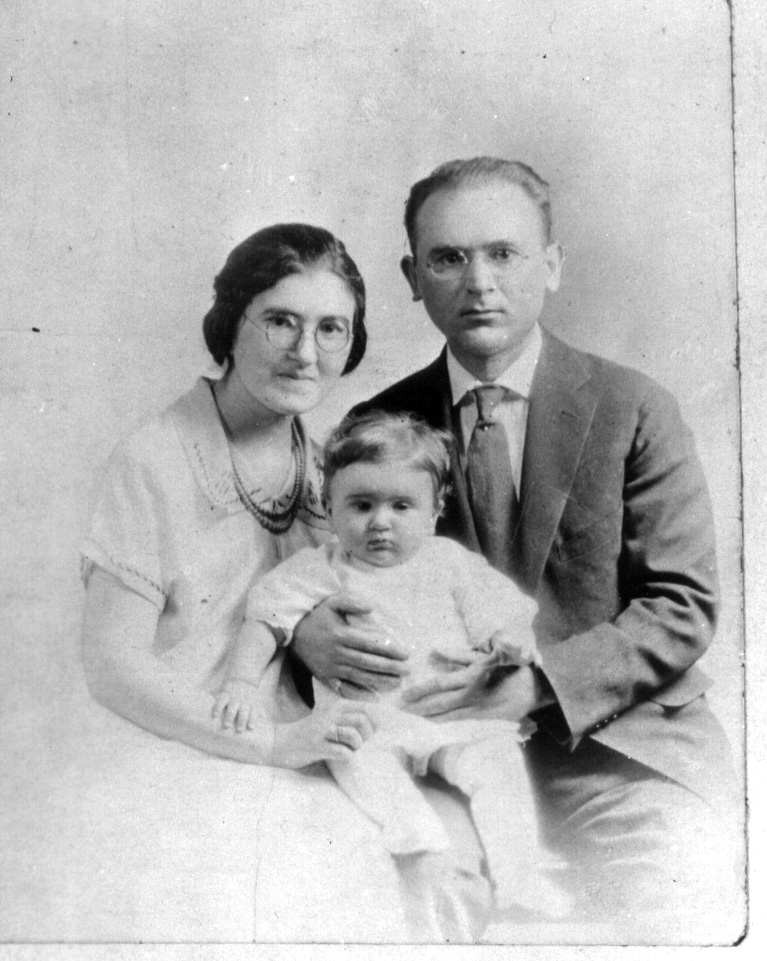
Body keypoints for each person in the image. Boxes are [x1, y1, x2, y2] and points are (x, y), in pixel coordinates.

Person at [291, 159, 740, 941]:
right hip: (437, 751)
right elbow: (326, 570)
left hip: (616, 749)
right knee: (405, 887)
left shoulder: (632, 406)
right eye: (447, 257)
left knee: (675, 883)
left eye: (503, 253)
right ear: (411, 275)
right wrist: (306, 631)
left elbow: (681, 603)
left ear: (552, 264)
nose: (478, 282)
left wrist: (534, 685)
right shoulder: (379, 423)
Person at [79, 223, 416, 941]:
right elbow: (111, 667)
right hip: (183, 747)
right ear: (231, 324)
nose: (305, 352)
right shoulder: (154, 458)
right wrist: (270, 744)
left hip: (303, 741)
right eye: (280, 322)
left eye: (332, 328)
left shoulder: (331, 464)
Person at [213, 410, 571, 925]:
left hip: (452, 719)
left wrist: (510, 644)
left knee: (499, 769)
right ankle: (413, 833)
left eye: (402, 506)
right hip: (372, 720)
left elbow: (501, 613)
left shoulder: (449, 562)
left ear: (433, 509)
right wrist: (242, 681)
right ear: (330, 506)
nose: (381, 522)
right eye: (361, 505)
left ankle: (520, 877)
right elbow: (265, 619)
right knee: (353, 756)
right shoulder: (322, 568)